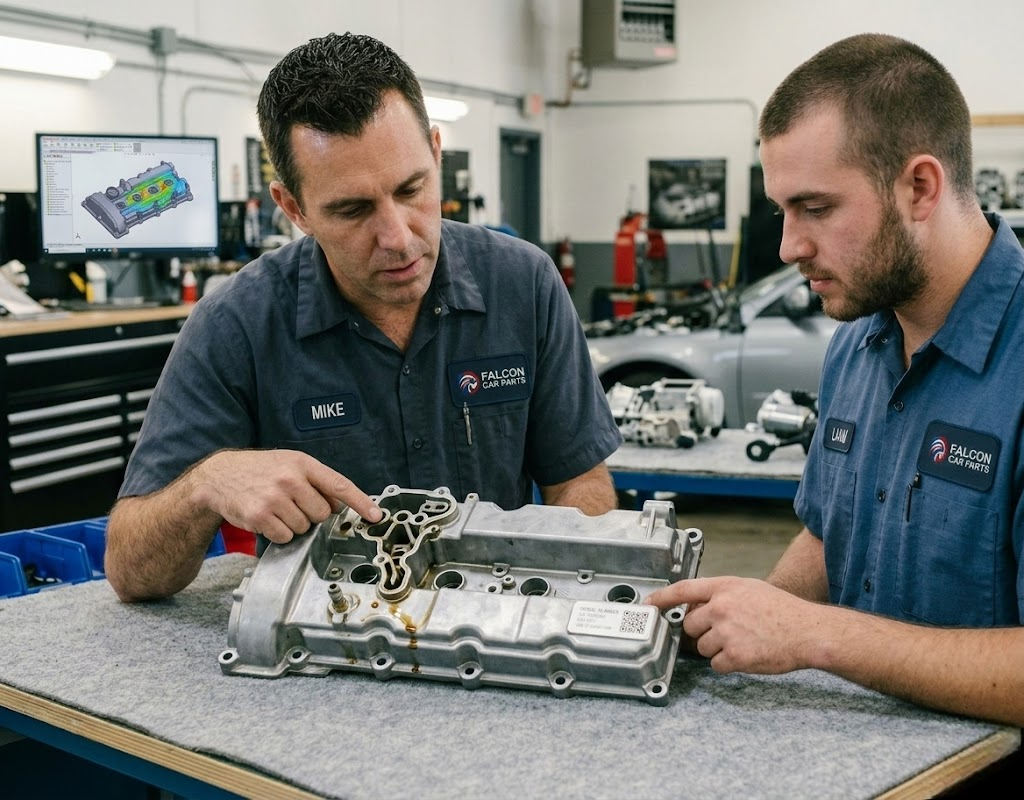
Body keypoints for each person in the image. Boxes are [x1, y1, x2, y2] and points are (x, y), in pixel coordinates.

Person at [105, 32, 621, 602]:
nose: (398, 239)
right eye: (352, 210)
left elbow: (577, 480)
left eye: (411, 189)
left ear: (435, 152)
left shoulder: (524, 285)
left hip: (493, 625)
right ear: (293, 208)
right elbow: (132, 572)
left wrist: (567, 597)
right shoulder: (237, 325)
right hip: (324, 649)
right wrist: (205, 482)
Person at [647, 33, 1024, 728]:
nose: (790, 246)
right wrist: (731, 623)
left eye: (816, 209)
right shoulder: (855, 344)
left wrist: (814, 635)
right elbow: (830, 538)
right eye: (782, 211)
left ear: (919, 187)